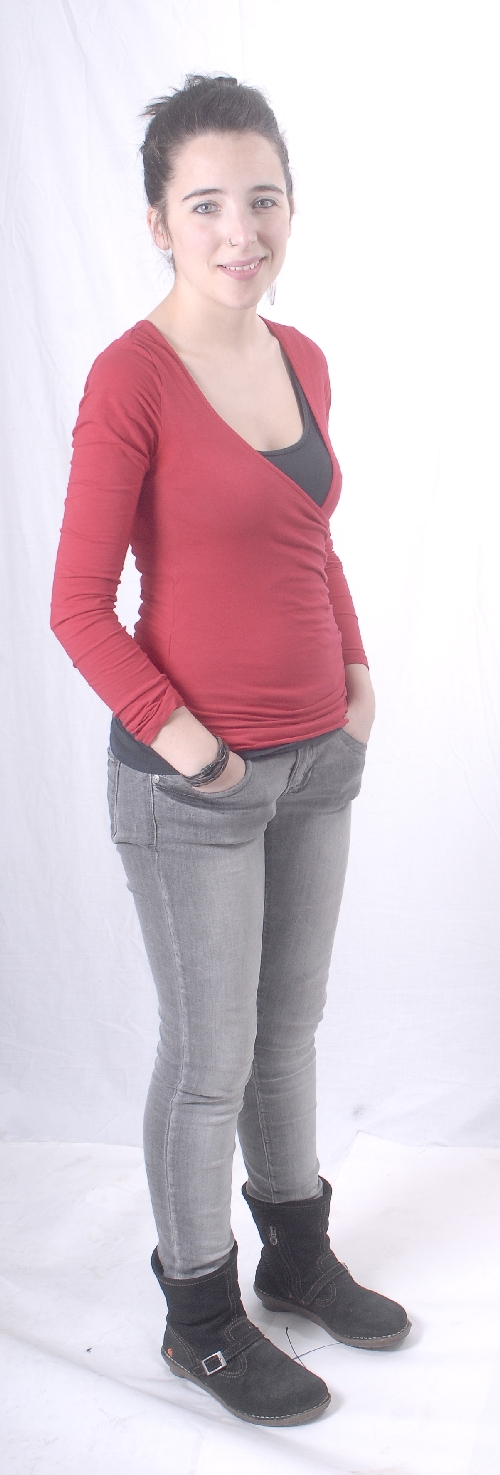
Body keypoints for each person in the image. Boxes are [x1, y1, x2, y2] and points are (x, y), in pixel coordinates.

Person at [51, 73, 410, 1428]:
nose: (239, 231)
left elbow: (310, 540)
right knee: (209, 1060)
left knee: (287, 1032)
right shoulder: (130, 377)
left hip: (320, 761)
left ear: (291, 209)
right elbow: (78, 608)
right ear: (159, 221)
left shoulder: (301, 356)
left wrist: (355, 676)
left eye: (263, 199)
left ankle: (296, 1258)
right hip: (191, 787)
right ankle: (199, 1318)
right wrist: (194, 748)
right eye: (206, 204)